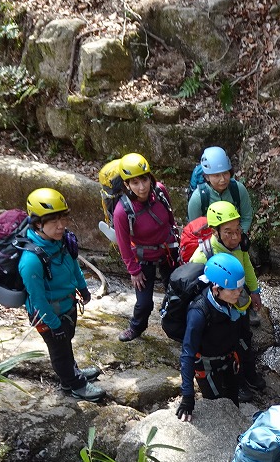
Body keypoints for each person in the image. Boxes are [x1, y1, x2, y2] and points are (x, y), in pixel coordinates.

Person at [19, 188, 104, 401]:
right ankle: (76, 385)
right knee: (59, 351)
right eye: (53, 221)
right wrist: (54, 325)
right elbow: (37, 299)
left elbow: (73, 264)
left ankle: (70, 375)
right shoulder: (31, 260)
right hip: (48, 315)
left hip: (67, 305)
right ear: (37, 223)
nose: (61, 226)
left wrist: (83, 287)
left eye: (63, 219)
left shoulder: (61, 241)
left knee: (65, 345)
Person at [189, 201, 266, 395]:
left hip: (239, 304)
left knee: (245, 339)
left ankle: (249, 374)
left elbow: (246, 266)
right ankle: (238, 383)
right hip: (219, 315)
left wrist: (254, 291)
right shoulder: (202, 256)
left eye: (238, 230)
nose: (235, 237)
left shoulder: (239, 246)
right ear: (215, 232)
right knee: (229, 347)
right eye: (228, 232)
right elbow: (194, 292)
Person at [176, 253, 251, 421]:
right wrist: (187, 396)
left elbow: (243, 332)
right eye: (233, 290)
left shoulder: (235, 298)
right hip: (207, 367)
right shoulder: (198, 312)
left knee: (233, 402)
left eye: (240, 288)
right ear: (216, 289)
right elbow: (187, 354)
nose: (238, 293)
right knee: (218, 409)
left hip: (229, 359)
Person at [113, 152, 179, 342]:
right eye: (135, 182)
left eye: (144, 180)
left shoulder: (160, 191)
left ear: (150, 177)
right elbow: (124, 244)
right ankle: (136, 327)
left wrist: (177, 239)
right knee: (144, 303)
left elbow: (170, 216)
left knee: (176, 290)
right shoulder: (122, 212)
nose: (141, 187)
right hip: (144, 257)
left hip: (168, 250)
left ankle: (174, 321)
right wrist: (133, 271)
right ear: (127, 184)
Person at [186, 146, 253, 235]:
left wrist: (237, 236)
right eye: (216, 175)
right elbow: (194, 228)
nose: (223, 179)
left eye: (225, 173)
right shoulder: (198, 198)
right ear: (207, 177)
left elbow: (246, 217)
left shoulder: (238, 189)